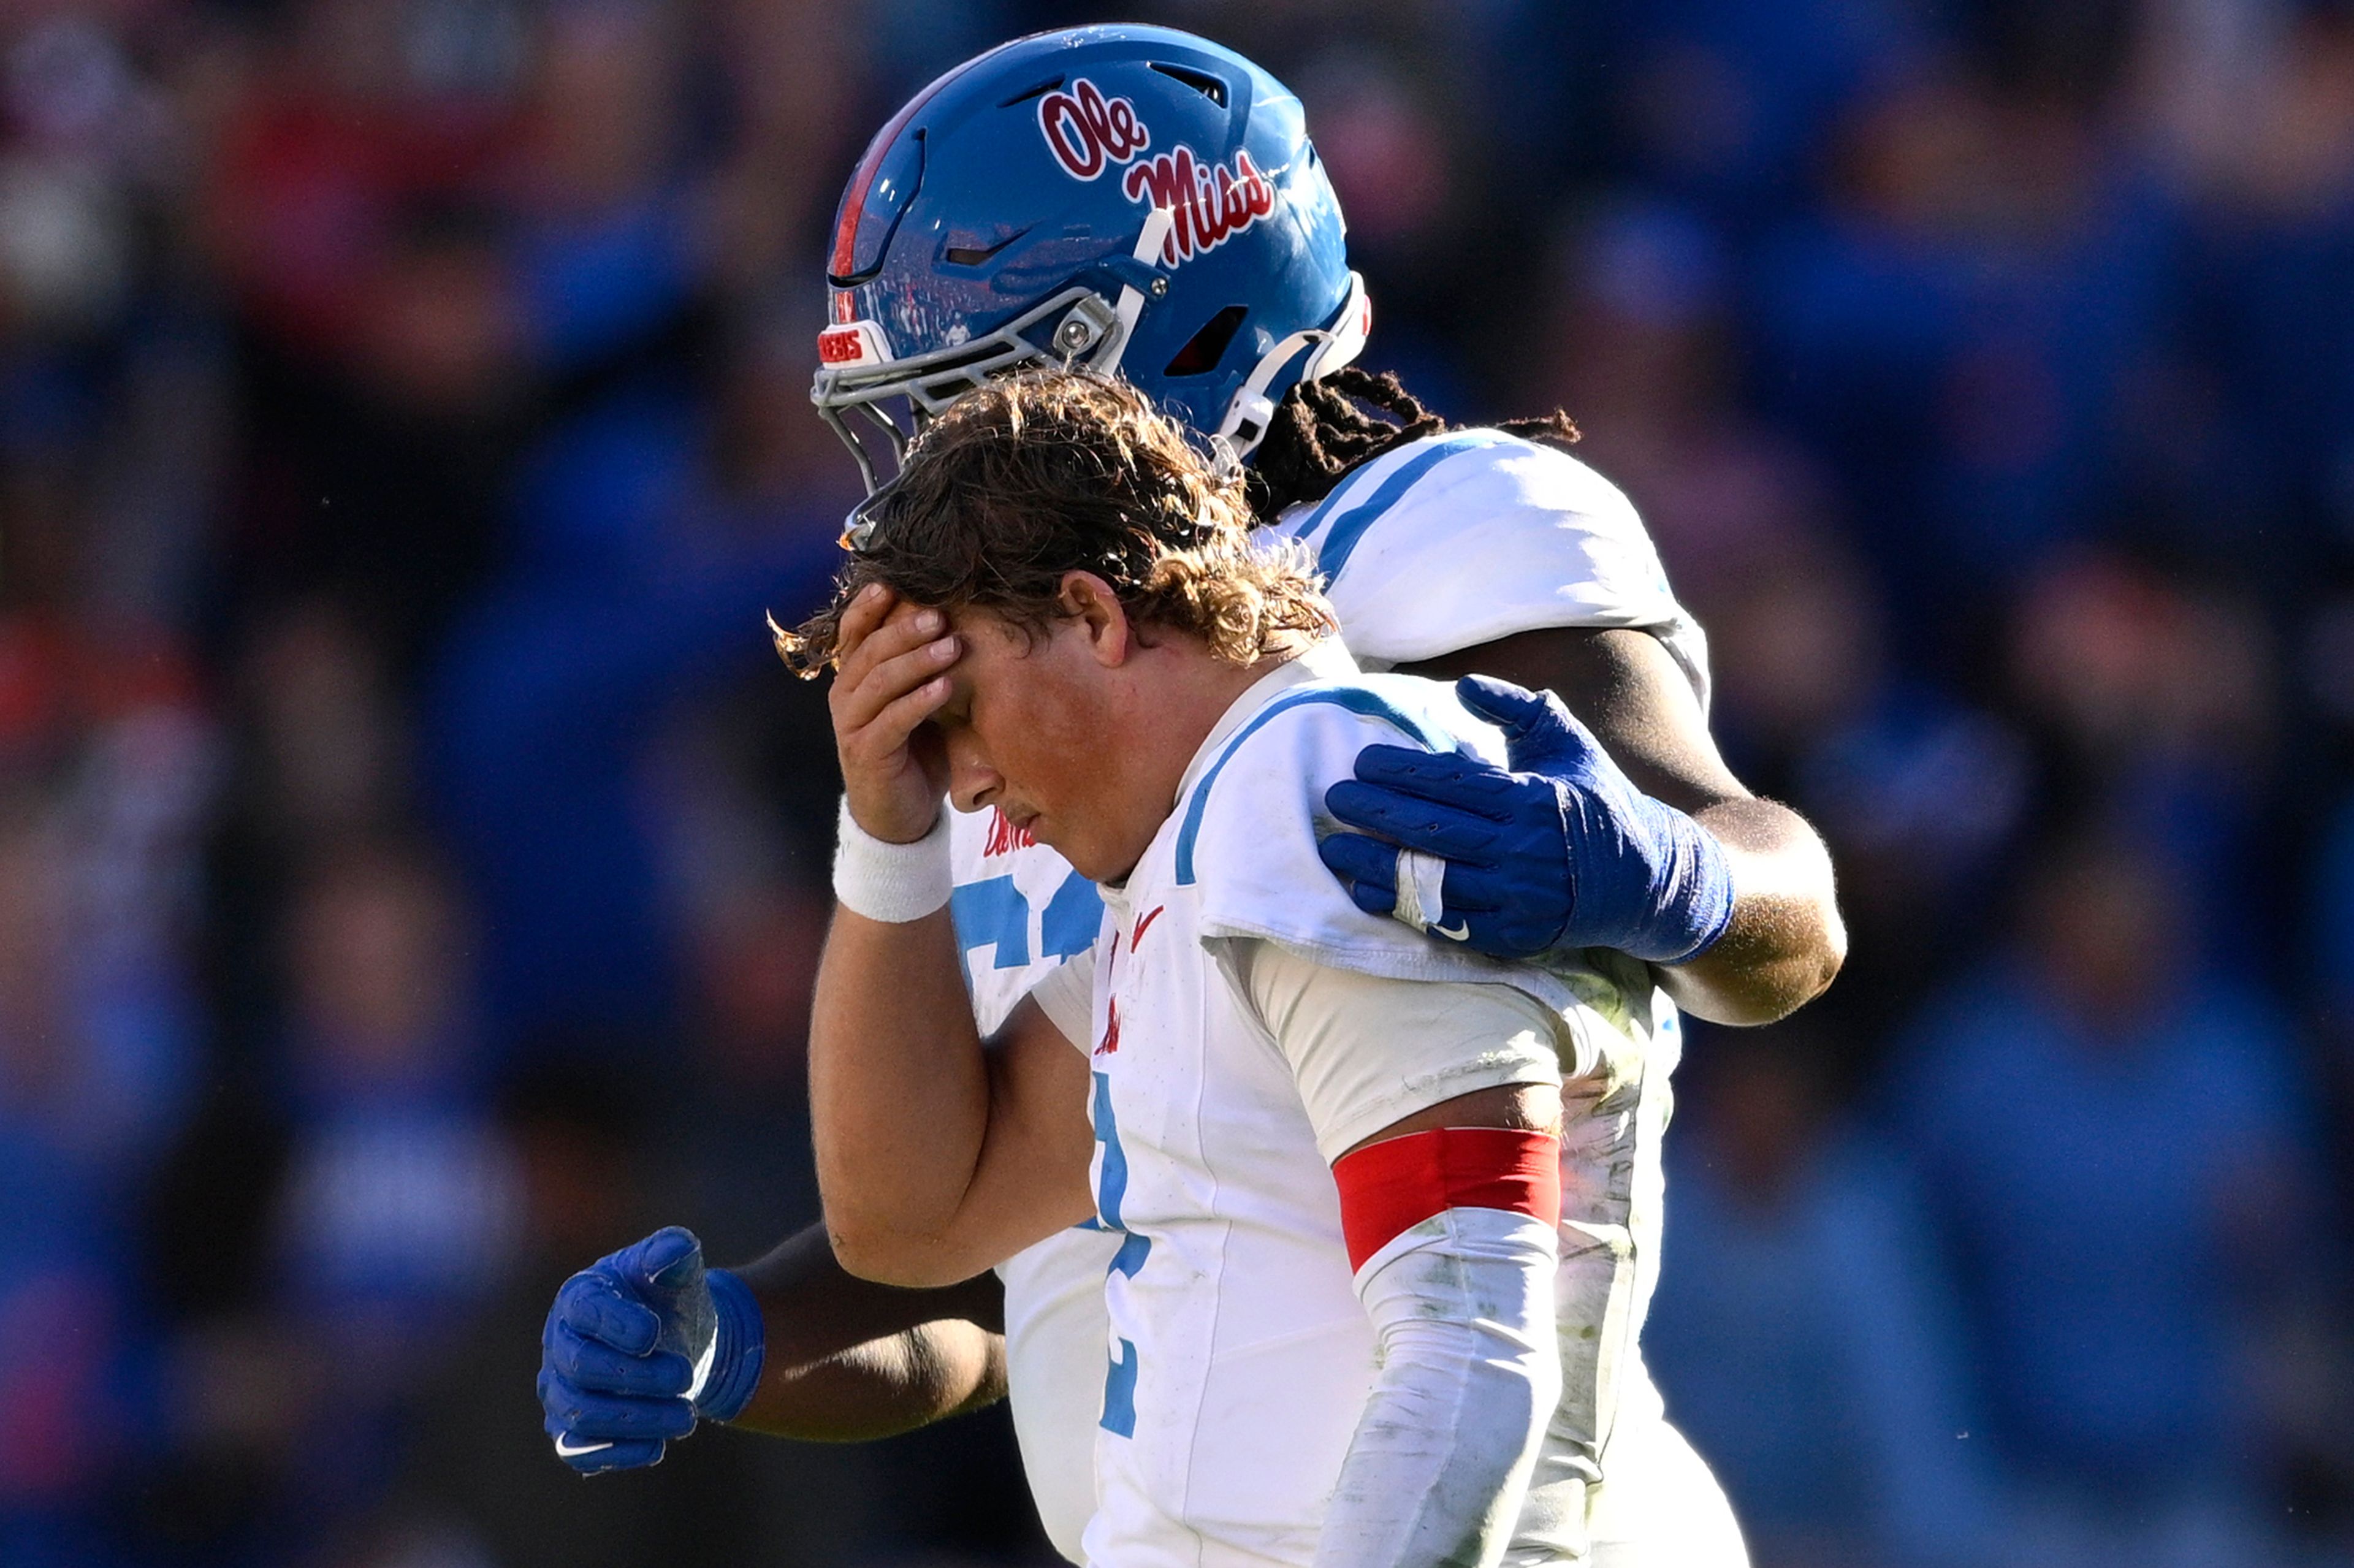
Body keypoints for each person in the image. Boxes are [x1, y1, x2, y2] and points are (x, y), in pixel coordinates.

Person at [538, 24, 1843, 1564]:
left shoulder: (1426, 560)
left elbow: (1783, 911)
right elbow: (1024, 1265)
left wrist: (1666, 876)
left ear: (1150, 349)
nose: (909, 491)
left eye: (967, 403)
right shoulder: (1049, 695)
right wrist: (748, 1339)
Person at [805, 368, 1681, 1568]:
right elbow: (916, 1216)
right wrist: (886, 839)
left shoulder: (1308, 793)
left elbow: (1470, 1348)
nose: (962, 787)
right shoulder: (1212, 839)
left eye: (957, 710)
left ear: (1094, 614)